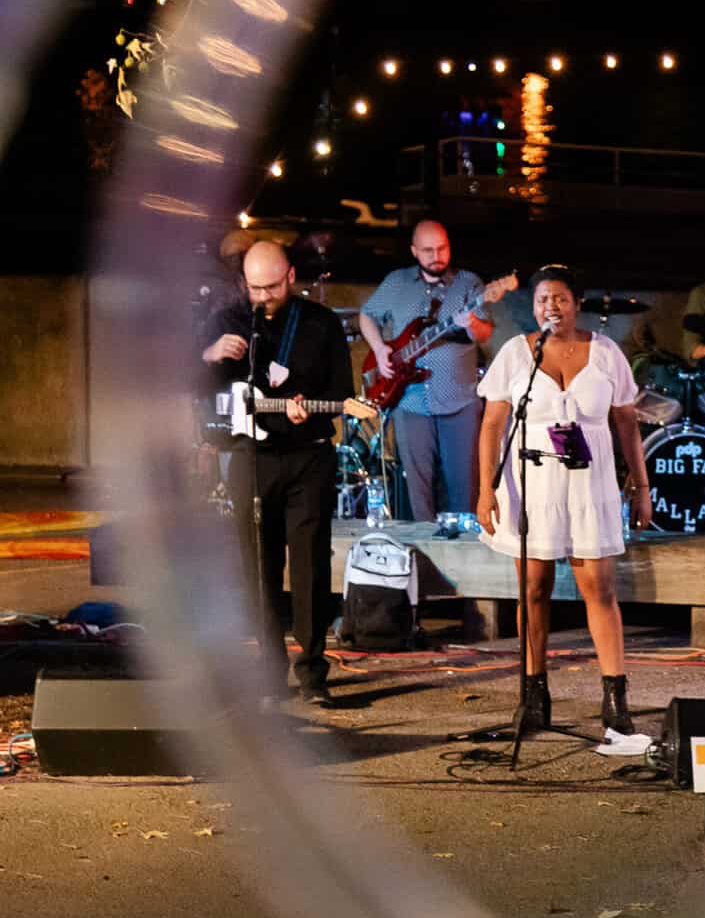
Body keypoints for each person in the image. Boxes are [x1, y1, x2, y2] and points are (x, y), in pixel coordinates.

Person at [475, 266, 652, 734]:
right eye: (542, 300)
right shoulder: (518, 353)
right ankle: (534, 696)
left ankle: (615, 699)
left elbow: (628, 424)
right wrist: (485, 488)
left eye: (560, 299)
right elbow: (493, 423)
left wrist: (642, 485)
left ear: (576, 303)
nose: (550, 307)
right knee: (533, 589)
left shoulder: (607, 352)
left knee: (600, 588)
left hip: (590, 484)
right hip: (532, 482)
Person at [201, 240, 355, 705]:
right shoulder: (228, 320)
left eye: (270, 286)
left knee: (309, 565)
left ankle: (312, 673)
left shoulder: (321, 324)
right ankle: (267, 671)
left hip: (307, 455)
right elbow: (189, 384)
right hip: (250, 456)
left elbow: (342, 392)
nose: (262, 296)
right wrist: (209, 355)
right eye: (254, 288)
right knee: (258, 566)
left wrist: (309, 409)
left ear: (290, 276)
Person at [359, 220, 495, 522]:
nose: (437, 255)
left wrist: (471, 322)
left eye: (442, 248)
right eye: (428, 250)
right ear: (414, 251)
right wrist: (381, 350)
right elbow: (367, 316)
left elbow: (484, 333)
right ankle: (424, 553)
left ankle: (464, 553)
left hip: (459, 399)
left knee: (464, 489)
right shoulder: (397, 282)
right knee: (417, 492)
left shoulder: (468, 283)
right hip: (409, 400)